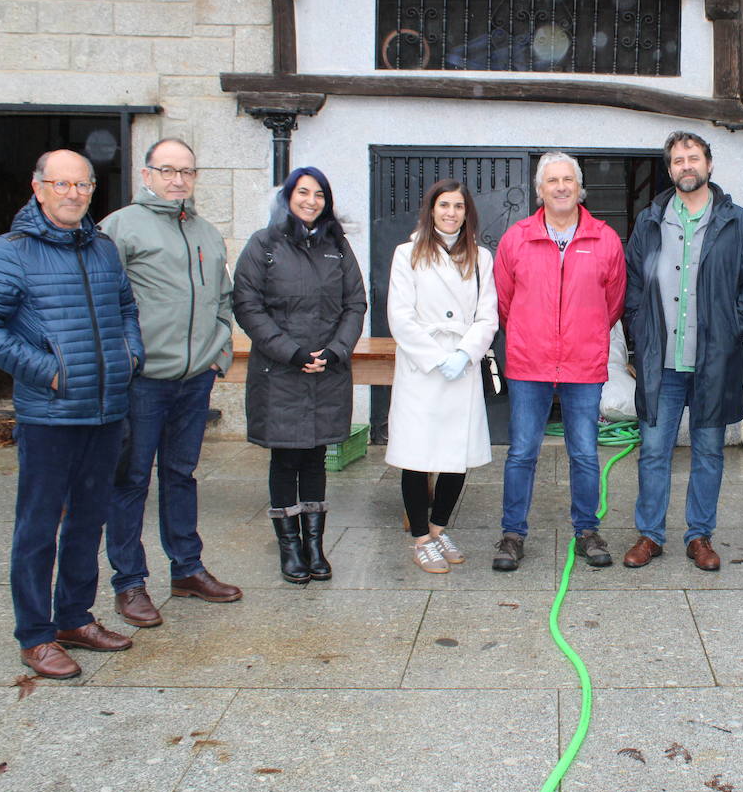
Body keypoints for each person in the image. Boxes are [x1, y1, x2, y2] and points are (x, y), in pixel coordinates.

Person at [0, 150, 145, 678]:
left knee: (88, 522)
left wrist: (129, 355)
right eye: (62, 184)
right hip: (50, 415)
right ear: (38, 188)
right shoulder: (13, 252)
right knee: (38, 528)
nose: (73, 194)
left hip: (106, 410)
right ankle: (35, 636)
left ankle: (74, 618)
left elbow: (126, 309)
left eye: (82, 185)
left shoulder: (102, 248)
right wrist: (48, 370)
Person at [101, 138, 241, 627]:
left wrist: (218, 353)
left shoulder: (206, 232)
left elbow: (223, 298)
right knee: (130, 480)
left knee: (181, 475)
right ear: (147, 175)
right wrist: (124, 360)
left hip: (194, 379)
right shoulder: (120, 227)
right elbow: (100, 300)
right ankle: (129, 582)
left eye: (186, 171)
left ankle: (187, 569)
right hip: (142, 381)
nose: (178, 180)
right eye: (167, 170)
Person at [621, 132, 743, 572]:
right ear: (669, 170)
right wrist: (640, 331)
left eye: (693, 158)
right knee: (653, 451)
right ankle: (650, 534)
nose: (686, 165)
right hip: (662, 363)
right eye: (678, 160)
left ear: (709, 164)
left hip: (713, 362)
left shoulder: (738, 222)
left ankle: (699, 536)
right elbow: (633, 284)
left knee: (708, 452)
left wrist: (730, 331)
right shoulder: (650, 221)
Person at [492, 152, 626, 571]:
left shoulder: (605, 239)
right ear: (540, 189)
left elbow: (613, 303)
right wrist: (532, 335)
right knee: (522, 452)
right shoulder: (516, 239)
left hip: (583, 363)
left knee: (584, 452)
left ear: (580, 187)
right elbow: (504, 302)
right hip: (529, 362)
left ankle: (587, 531)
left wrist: (583, 335)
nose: (561, 187)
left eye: (568, 179)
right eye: (552, 180)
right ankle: (513, 534)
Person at [232, 167, 366, 583]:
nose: (311, 201)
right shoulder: (264, 244)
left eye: (319, 194)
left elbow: (355, 303)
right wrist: (290, 352)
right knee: (285, 457)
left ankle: (314, 546)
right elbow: (247, 304)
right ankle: (289, 548)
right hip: (280, 372)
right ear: (288, 197)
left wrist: (336, 350)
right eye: (303, 192)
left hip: (327, 370)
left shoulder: (337, 246)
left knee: (315, 457)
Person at [385, 179, 499, 573]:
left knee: (456, 455)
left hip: (462, 364)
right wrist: (436, 358)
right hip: (423, 366)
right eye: (444, 205)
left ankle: (438, 529)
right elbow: (400, 316)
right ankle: (420, 539)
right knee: (416, 455)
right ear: (431, 209)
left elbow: (488, 314)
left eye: (458, 206)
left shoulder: (480, 257)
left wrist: (465, 353)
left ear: (467, 213)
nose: (451, 212)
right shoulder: (408, 254)